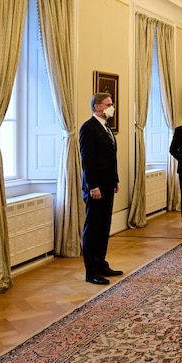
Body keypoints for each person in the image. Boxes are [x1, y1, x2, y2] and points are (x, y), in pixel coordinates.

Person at [79, 92, 122, 285]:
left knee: (104, 226)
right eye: (109, 104)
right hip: (95, 187)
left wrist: (115, 180)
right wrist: (93, 186)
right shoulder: (88, 128)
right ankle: (91, 271)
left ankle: (101, 263)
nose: (112, 107)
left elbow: (110, 157)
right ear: (97, 106)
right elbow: (88, 160)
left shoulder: (106, 128)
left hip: (107, 185)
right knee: (94, 228)